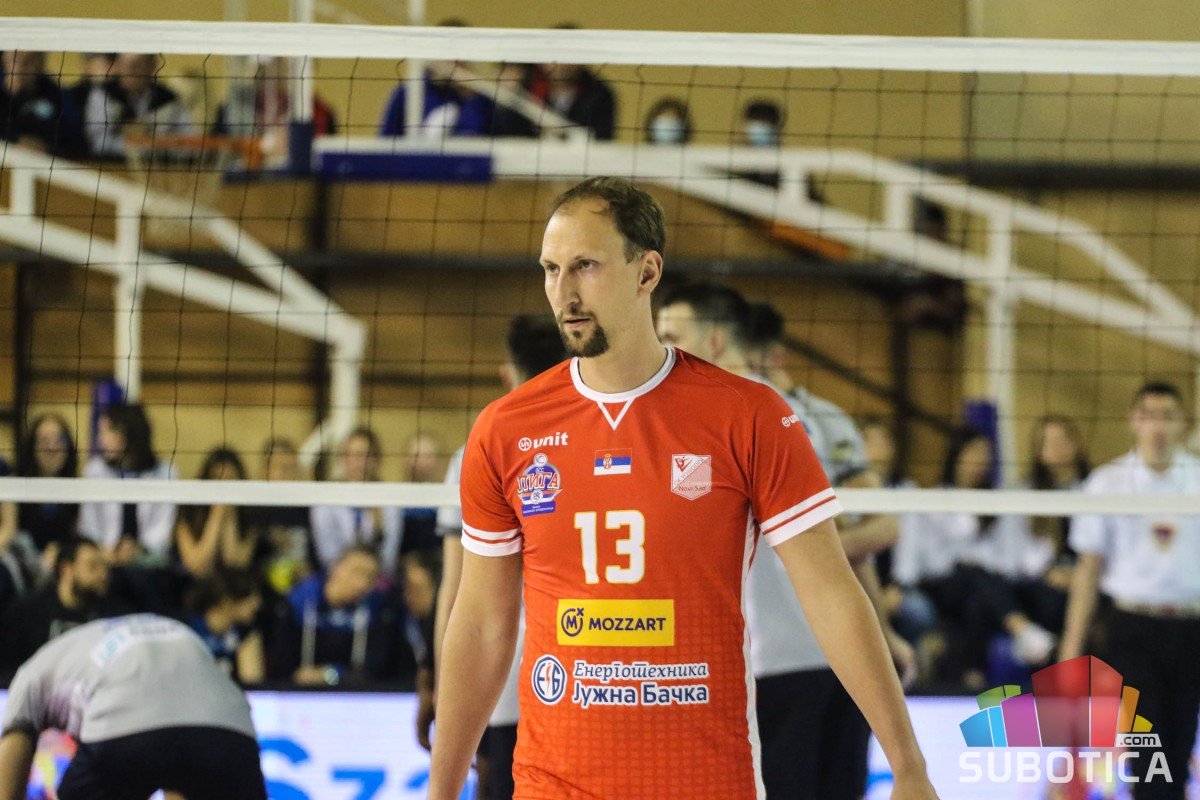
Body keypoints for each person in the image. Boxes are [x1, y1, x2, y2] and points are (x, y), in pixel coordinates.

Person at [429, 177, 938, 800]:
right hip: (554, 784)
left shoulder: (747, 415)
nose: (564, 292)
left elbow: (831, 592)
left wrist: (908, 766)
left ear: (647, 272)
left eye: (586, 266)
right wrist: (441, 792)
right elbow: (482, 623)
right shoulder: (506, 428)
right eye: (551, 269)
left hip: (704, 779)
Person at [656, 283, 911, 800]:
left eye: (672, 337)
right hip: (837, 655)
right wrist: (881, 633)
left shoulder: (718, 416)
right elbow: (848, 539)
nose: (662, 352)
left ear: (716, 341)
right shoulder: (806, 414)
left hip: (767, 661)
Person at [421, 314, 568, 800]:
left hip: (497, 686)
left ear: (507, 373)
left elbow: (456, 588)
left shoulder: (478, 448)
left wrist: (442, 688)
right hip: (579, 679)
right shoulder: (595, 438)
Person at [1061, 381, 1200, 799]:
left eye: (1167, 416)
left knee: (1179, 749)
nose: (1158, 427)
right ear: (1133, 421)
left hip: (1190, 627)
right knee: (1148, 751)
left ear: (1183, 423)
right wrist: (1071, 646)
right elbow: (1088, 569)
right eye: (1149, 415)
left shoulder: (1196, 476)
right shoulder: (1108, 481)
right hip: (1132, 628)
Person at [0, 614, 265, 800]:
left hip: (126, 719)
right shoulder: (169, 628)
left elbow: (8, 778)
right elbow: (182, 758)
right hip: (232, 724)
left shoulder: (30, 676)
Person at [268, 545, 416, 688]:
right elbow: (281, 663)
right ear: (335, 567)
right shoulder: (296, 605)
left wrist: (330, 675)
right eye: (357, 572)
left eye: (370, 578)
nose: (361, 583)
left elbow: (376, 668)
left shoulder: (378, 613)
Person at [0, 537, 124, 677]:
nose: (103, 574)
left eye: (105, 566)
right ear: (66, 569)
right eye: (92, 566)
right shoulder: (27, 613)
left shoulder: (110, 613)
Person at [79, 403, 178, 564]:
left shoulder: (166, 473)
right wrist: (108, 552)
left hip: (150, 563)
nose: (100, 440)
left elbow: (163, 530)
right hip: (104, 559)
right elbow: (89, 526)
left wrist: (138, 551)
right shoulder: (94, 472)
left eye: (106, 432)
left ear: (125, 434)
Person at [310, 426, 403, 575]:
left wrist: (379, 532)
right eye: (353, 455)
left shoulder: (389, 504)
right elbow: (327, 556)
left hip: (375, 578)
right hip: (337, 577)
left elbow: (388, 559)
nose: (359, 462)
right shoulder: (325, 501)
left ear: (376, 460)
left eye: (365, 455)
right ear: (342, 459)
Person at [174, 447, 259, 580]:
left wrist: (229, 517)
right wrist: (216, 516)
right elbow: (197, 566)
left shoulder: (249, 514)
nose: (224, 486)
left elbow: (235, 564)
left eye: (230, 479)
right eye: (217, 479)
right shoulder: (188, 511)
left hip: (235, 583)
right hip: (194, 584)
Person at [184, 568, 265, 685]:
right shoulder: (187, 629)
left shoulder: (245, 633)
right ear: (227, 601)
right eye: (250, 597)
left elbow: (252, 684)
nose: (257, 603)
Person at [15, 413, 80, 559]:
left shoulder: (79, 489)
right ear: (33, 447)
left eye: (59, 440)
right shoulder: (16, 487)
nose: (52, 448)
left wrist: (60, 550)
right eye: (44, 440)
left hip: (64, 561)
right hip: (23, 560)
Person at [258, 437, 316, 593]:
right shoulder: (253, 511)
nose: (286, 474)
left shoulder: (310, 510)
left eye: (291, 468)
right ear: (265, 470)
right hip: (266, 589)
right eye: (280, 467)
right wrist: (269, 539)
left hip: (304, 588)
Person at [0, 51, 85, 157]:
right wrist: (16, 140)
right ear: (4, 60)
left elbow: (74, 140)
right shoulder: (3, 94)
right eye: (13, 61)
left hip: (47, 160)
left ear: (40, 64)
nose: (19, 69)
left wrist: (48, 148)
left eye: (27, 62)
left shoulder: (56, 94)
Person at [65, 52, 124, 159]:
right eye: (105, 62)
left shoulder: (122, 95)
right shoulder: (70, 97)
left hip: (114, 161)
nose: (112, 68)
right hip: (76, 160)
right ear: (85, 64)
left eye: (113, 62)